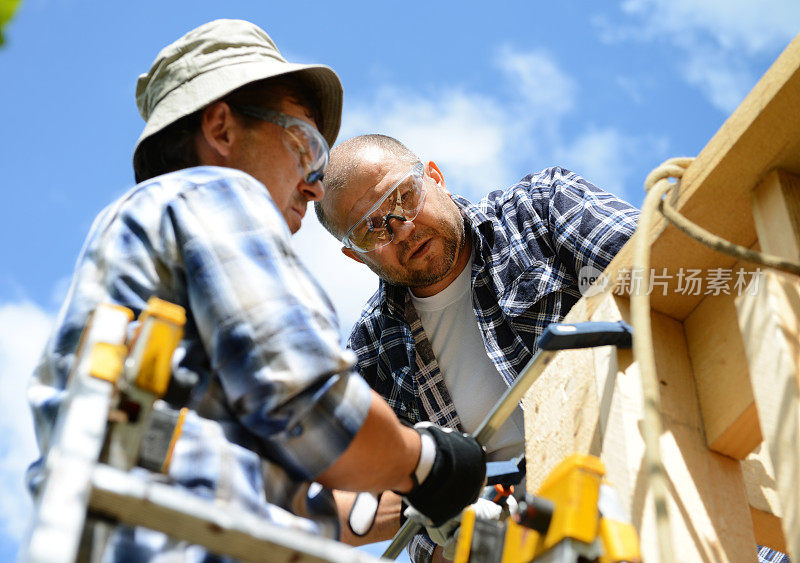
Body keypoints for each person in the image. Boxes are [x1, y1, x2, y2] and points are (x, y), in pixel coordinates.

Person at [26, 21, 485, 560]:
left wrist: (405, 498)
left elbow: (278, 490)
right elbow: (311, 403)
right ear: (221, 129)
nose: (314, 186)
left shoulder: (151, 254)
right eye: (305, 144)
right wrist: (430, 461)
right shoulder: (213, 193)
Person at [315, 134, 640, 561]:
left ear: (435, 177)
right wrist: (436, 511)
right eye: (373, 228)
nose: (402, 228)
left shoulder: (541, 209)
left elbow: (668, 269)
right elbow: (339, 505)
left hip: (650, 464)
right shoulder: (372, 353)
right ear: (354, 255)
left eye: (404, 197)